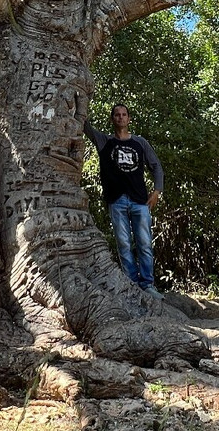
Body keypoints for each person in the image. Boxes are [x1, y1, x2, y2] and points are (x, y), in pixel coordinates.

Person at [84, 103, 165, 298]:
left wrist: (157, 191)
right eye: (117, 115)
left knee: (144, 243)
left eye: (124, 114)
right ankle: (132, 284)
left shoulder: (140, 143)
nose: (120, 117)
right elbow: (85, 126)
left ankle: (147, 285)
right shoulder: (105, 142)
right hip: (116, 200)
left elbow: (156, 166)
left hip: (140, 201)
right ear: (112, 119)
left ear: (129, 119)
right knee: (124, 244)